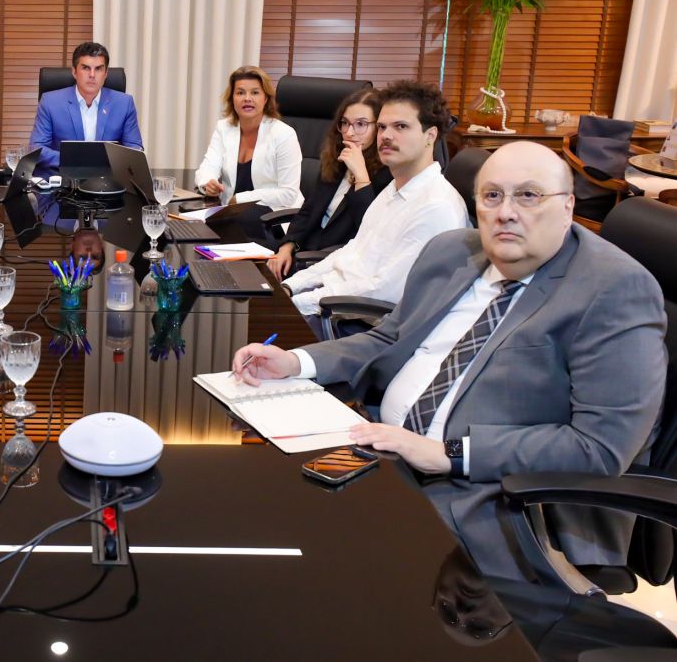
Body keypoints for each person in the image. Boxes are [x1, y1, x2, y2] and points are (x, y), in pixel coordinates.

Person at [232, 141, 666, 581]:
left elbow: (598, 447)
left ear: (568, 205)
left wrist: (448, 453)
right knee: (255, 507)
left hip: (489, 494)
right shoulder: (452, 251)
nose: (506, 212)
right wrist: (296, 362)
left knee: (327, 572)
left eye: (529, 195)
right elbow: (388, 338)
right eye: (492, 195)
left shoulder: (613, 289)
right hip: (382, 447)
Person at [281, 80, 468, 318]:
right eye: (382, 127)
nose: (386, 136)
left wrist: (297, 304)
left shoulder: (435, 207)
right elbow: (352, 252)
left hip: (358, 320)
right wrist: (291, 286)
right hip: (333, 299)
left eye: (401, 126)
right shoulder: (394, 189)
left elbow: (382, 291)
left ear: (430, 135)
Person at [267, 87, 391, 278]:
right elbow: (309, 210)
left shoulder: (388, 173)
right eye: (345, 123)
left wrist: (361, 176)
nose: (349, 132)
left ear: (379, 128)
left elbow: (371, 230)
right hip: (306, 250)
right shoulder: (337, 159)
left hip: (338, 264)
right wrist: (287, 245)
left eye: (361, 124)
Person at [194, 65, 304, 238]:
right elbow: (208, 167)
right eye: (240, 93)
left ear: (266, 98)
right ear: (232, 98)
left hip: (273, 217)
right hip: (233, 215)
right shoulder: (224, 128)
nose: (247, 98)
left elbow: (288, 194)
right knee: (187, 224)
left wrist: (240, 199)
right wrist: (209, 183)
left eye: (255, 92)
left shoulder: (284, 134)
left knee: (231, 226)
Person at [29, 41, 143, 171]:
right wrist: (74, 161)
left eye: (98, 69)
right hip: (62, 176)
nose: (92, 75)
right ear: (74, 72)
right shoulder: (50, 102)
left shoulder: (124, 103)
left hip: (108, 178)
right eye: (86, 68)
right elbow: (37, 148)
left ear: (106, 74)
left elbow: (134, 150)